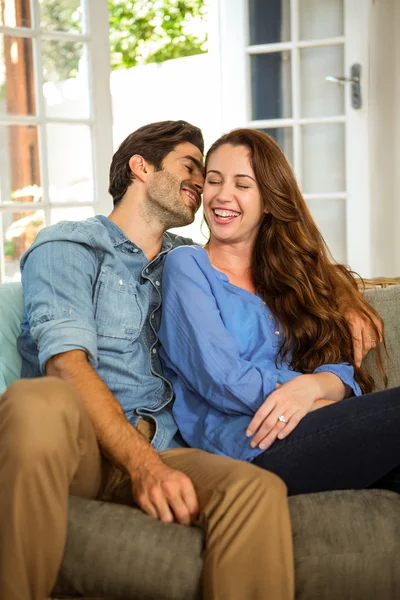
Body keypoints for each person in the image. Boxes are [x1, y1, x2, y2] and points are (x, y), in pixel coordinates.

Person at [0, 121, 296, 600]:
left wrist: (345, 299)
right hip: (83, 449)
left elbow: (277, 270)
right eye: (191, 166)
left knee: (255, 489)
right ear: (141, 166)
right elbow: (66, 365)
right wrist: (143, 467)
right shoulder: (69, 245)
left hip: (166, 443)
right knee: (39, 400)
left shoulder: (195, 263)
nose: (204, 184)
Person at [158, 127, 400, 496]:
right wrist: (311, 401)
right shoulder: (187, 266)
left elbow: (337, 365)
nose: (223, 196)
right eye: (214, 180)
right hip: (248, 447)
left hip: (308, 432)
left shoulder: (287, 276)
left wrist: (313, 387)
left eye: (243, 184)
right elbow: (222, 379)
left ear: (269, 201)